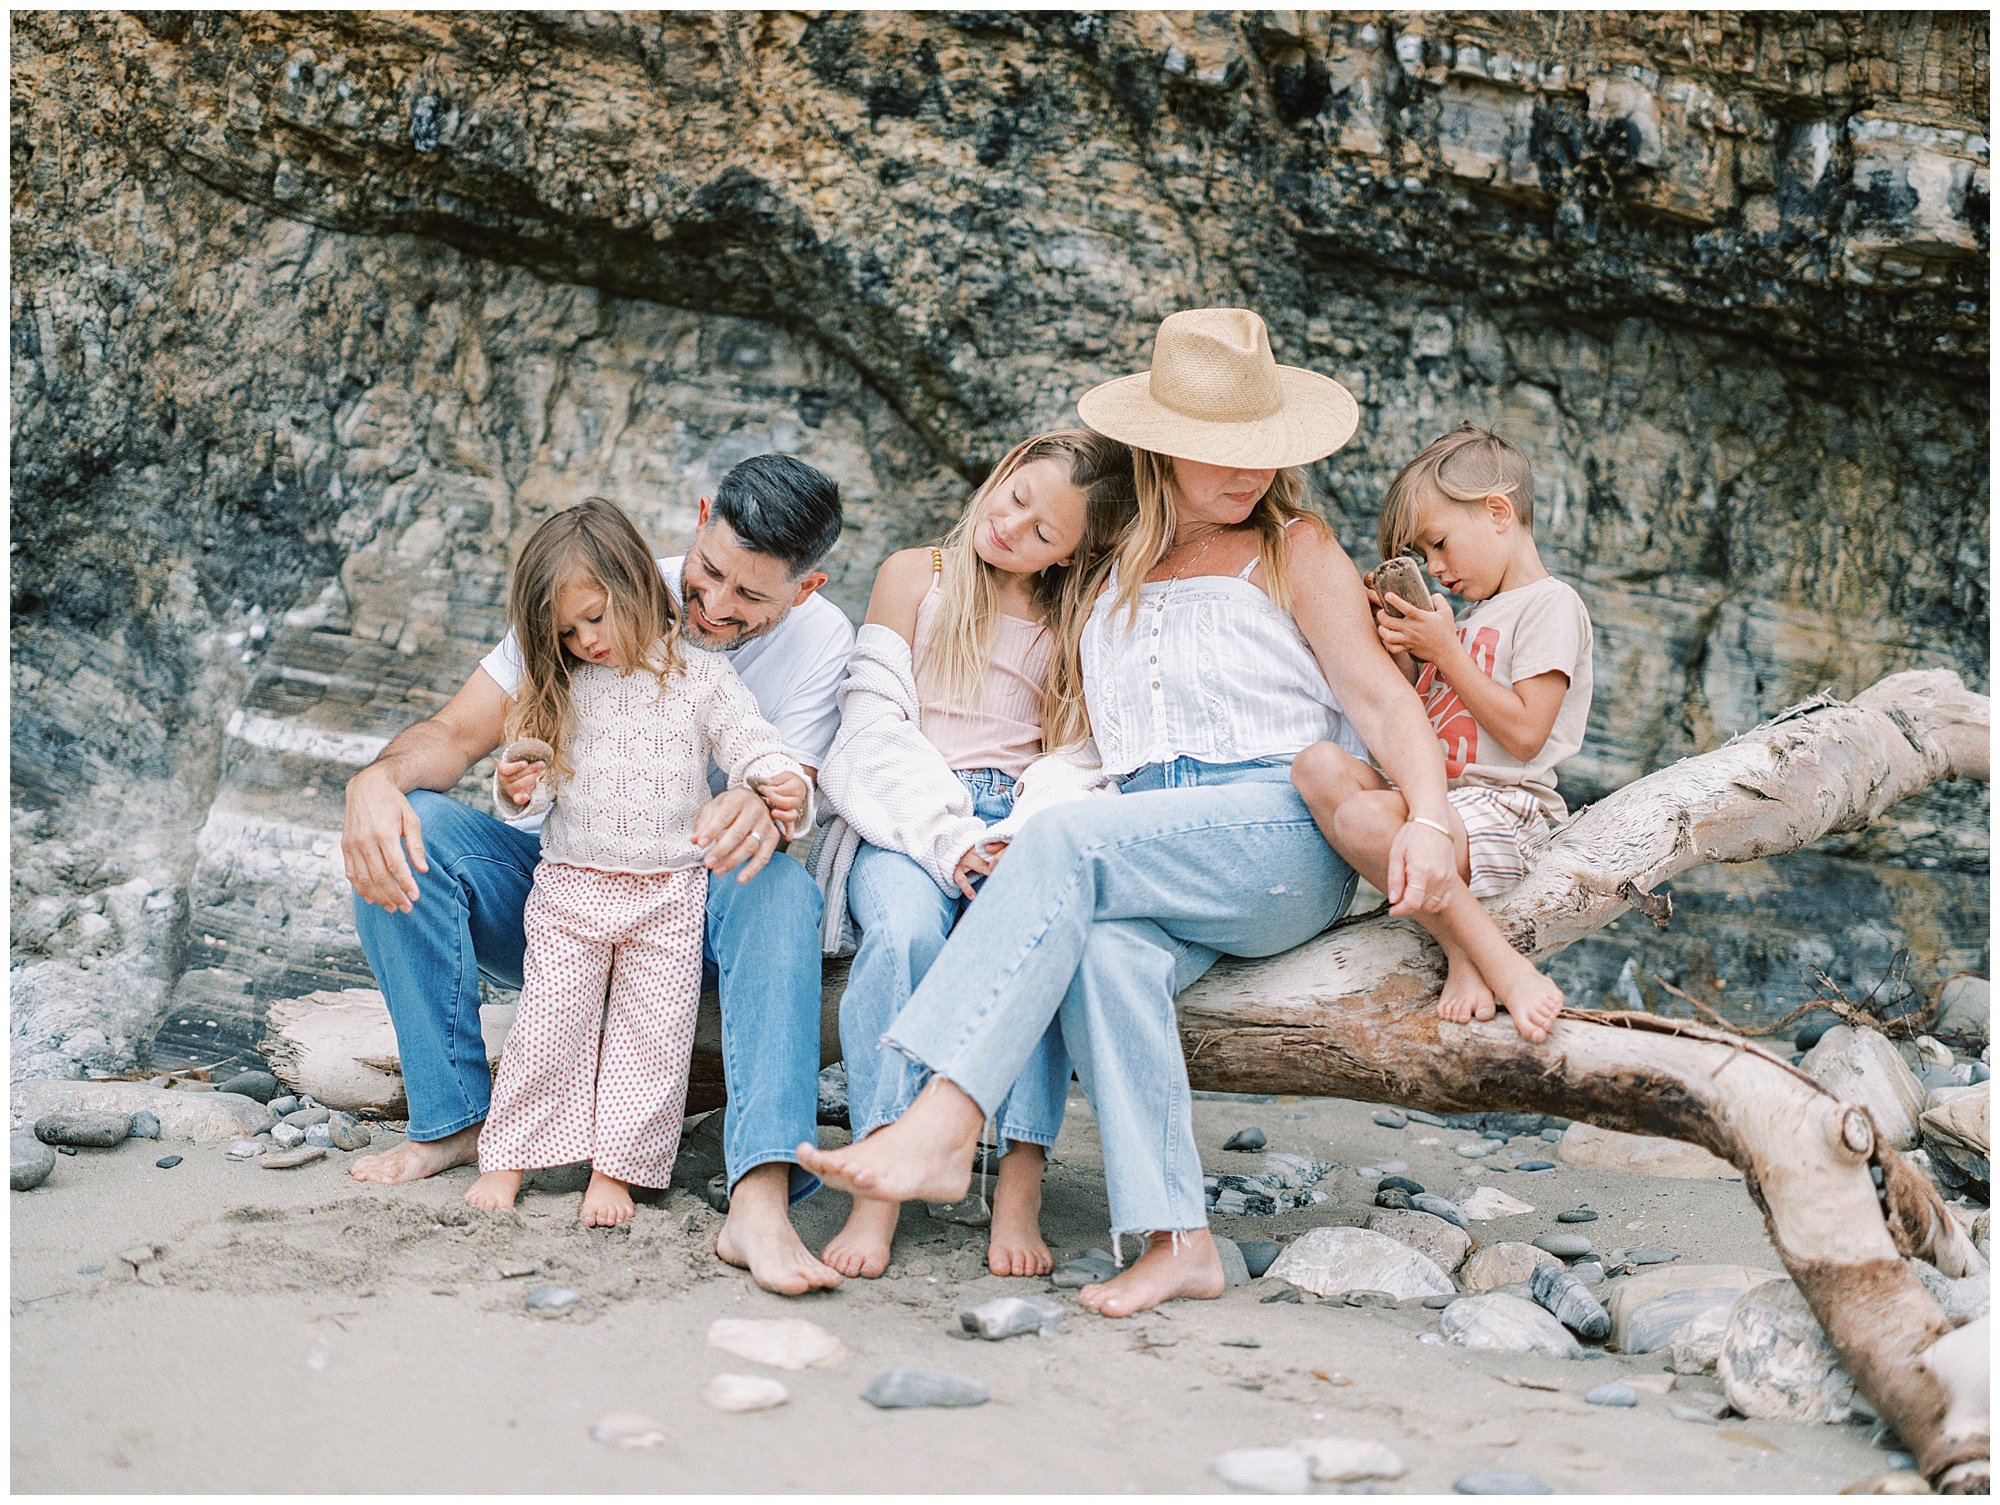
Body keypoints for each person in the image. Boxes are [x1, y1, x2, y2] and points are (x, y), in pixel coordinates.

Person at [797, 308, 1463, 1318]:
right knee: (1105, 955)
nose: (1242, 474)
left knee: (1064, 844)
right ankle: (1178, 1236)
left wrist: (1424, 813)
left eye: (1257, 451)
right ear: (1157, 445)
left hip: (1272, 830)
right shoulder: (1101, 572)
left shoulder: (1291, 545)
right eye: (1214, 453)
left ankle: (941, 1112)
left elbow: (1377, 697)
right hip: (1145, 837)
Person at [342, 454, 855, 1295]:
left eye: (751, 598)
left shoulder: (822, 641)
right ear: (698, 517)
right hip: (569, 893)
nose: (714, 607)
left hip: (698, 905)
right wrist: (373, 781)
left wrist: (765, 804)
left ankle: (759, 1192)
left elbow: (784, 782)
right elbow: (459, 733)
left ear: (804, 589)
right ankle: (460, 1119)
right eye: (711, 571)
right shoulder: (602, 583)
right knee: (416, 827)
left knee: (776, 883)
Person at [809, 431, 1137, 1278]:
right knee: (907, 933)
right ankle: (880, 1173)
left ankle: (1017, 1176)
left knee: (1035, 946)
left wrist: (1021, 832)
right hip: (909, 812)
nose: (1014, 527)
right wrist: (951, 835)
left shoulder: (1076, 618)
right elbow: (872, 725)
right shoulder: (917, 574)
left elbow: (1084, 752)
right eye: (1017, 497)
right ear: (1004, 472)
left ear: (1075, 555)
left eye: (1044, 534)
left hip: (1022, 816)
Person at [463, 500, 810, 1226]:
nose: (587, 639)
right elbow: (532, 788)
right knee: (547, 1024)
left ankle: (616, 1170)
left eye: (597, 617)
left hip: (669, 893)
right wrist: (514, 788)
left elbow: (751, 742)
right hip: (569, 887)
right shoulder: (556, 684)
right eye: (566, 631)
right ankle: (509, 1155)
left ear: (635, 582)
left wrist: (779, 779)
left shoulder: (701, 676)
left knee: (651, 1037)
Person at [1290, 424, 1592, 1043]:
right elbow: (1404, 736)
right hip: (1443, 809)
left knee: (1369, 824)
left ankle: (1482, 959)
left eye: (1440, 544)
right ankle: (1469, 946)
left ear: (1498, 512)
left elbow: (1528, 732)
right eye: (1424, 558)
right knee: (1318, 766)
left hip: (1510, 809)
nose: (1437, 567)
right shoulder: (1463, 620)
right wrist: (1405, 652)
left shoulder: (1550, 605)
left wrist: (1445, 651)